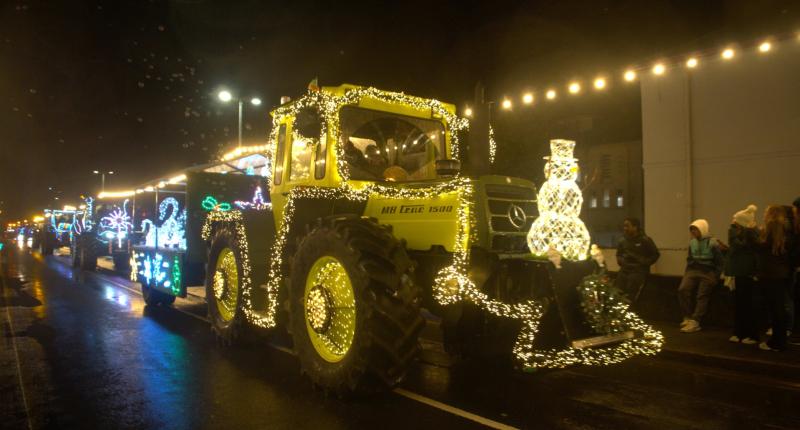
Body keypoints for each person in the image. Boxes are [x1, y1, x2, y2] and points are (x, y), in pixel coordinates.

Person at [757, 205, 795, 351]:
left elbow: (762, 248)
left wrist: (751, 233)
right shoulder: (787, 229)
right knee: (780, 307)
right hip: (782, 273)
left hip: (770, 274)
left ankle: (776, 342)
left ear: (771, 214)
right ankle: (781, 340)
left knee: (775, 309)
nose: (764, 214)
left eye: (766, 212)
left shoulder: (771, 227)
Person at [678, 219, 724, 333]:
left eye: (695, 229)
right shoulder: (692, 243)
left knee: (702, 295)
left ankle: (696, 321)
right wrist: (687, 272)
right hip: (693, 269)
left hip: (708, 271)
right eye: (692, 229)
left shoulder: (713, 243)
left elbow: (720, 262)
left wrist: (715, 276)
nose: (693, 231)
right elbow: (689, 259)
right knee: (682, 289)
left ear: (702, 229)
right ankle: (687, 317)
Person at [724, 205, 759, 344]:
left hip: (747, 273)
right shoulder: (736, 233)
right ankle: (739, 331)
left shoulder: (750, 235)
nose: (732, 223)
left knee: (747, 304)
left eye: (736, 221)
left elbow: (741, 247)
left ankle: (751, 334)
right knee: (738, 304)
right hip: (737, 273)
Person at [615, 218, 660, 303]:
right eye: (624, 226)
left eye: (627, 226)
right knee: (618, 293)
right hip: (624, 270)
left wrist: (645, 262)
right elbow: (619, 254)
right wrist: (620, 261)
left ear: (635, 227)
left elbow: (655, 254)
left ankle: (631, 313)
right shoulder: (622, 240)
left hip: (638, 271)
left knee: (630, 295)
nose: (625, 228)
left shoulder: (645, 240)